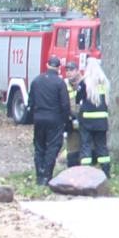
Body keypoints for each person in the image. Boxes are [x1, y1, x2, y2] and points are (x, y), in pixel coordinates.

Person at [26, 56, 71, 185]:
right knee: (53, 146)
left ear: (46, 65)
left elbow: (31, 102)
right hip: (55, 120)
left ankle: (39, 174)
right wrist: (66, 119)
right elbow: (65, 105)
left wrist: (32, 118)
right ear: (58, 68)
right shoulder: (59, 83)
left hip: (39, 119)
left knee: (39, 147)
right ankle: (47, 175)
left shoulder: (36, 81)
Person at [76, 59, 112, 175]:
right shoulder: (105, 82)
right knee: (101, 146)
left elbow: (78, 99)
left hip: (87, 120)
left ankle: (85, 171)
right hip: (102, 121)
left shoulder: (84, 82)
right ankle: (106, 172)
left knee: (86, 144)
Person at [63, 61, 85, 169]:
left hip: (85, 120)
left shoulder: (85, 83)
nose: (68, 73)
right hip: (71, 120)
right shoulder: (64, 84)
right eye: (66, 71)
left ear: (77, 71)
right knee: (72, 147)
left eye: (71, 70)